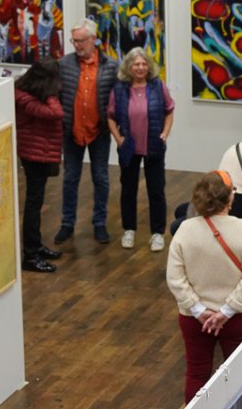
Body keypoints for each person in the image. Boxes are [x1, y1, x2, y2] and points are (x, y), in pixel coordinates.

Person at [166, 172, 242, 400]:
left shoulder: (185, 230)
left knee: (196, 374)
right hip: (238, 317)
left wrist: (198, 309)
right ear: (229, 199)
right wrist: (226, 311)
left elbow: (175, 277)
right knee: (240, 375)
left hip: (194, 320)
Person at [56, 20, 118, 245]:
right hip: (72, 131)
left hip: (98, 131)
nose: (77, 45)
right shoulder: (64, 65)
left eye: (81, 40)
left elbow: (116, 99)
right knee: (70, 178)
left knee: (100, 177)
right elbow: (57, 95)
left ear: (93, 39)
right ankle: (67, 223)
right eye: (74, 41)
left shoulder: (110, 66)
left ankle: (99, 223)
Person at [109, 46, 174, 251]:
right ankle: (129, 230)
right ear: (128, 66)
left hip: (154, 144)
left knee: (156, 190)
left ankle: (157, 233)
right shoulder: (119, 88)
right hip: (128, 147)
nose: (140, 67)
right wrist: (118, 138)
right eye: (136, 64)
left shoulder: (158, 86)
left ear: (149, 66)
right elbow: (110, 116)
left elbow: (169, 110)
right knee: (128, 190)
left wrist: (165, 133)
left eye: (144, 64)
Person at [13, 58, 63, 273]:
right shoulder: (26, 99)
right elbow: (56, 113)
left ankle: (36, 245)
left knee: (37, 201)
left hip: (38, 152)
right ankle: (31, 255)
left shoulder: (29, 94)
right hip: (33, 155)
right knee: (33, 204)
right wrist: (51, 94)